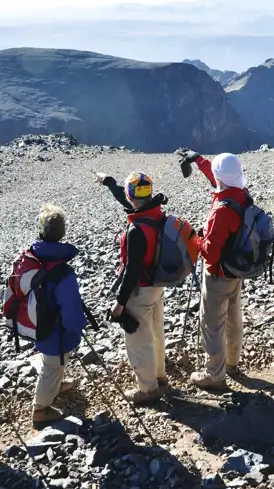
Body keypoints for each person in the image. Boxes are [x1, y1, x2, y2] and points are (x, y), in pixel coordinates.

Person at [177, 150, 247, 390]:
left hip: (218, 274)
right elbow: (216, 177)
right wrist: (198, 160)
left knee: (212, 324)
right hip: (237, 271)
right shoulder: (242, 197)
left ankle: (214, 374)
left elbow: (210, 252)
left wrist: (196, 239)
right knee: (233, 317)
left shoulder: (221, 211)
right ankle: (232, 362)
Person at [95, 171, 167, 405]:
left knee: (138, 339)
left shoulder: (137, 229)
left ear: (131, 195)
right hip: (157, 284)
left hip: (141, 288)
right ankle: (159, 376)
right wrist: (109, 182)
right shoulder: (155, 212)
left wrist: (120, 302)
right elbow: (127, 200)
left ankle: (148, 390)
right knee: (156, 330)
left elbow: (131, 270)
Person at [26, 204, 87, 427]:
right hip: (55, 329)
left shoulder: (32, 257)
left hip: (35, 322)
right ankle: (40, 409)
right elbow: (71, 311)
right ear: (62, 232)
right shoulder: (62, 271)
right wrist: (77, 328)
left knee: (52, 361)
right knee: (53, 364)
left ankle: (55, 385)